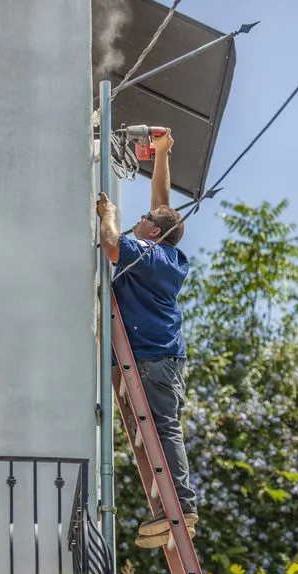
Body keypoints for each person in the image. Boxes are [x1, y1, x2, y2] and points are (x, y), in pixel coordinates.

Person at [96, 129, 198, 550]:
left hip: (155, 361)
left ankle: (183, 509)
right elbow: (163, 204)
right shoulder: (165, 249)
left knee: (164, 428)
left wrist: (109, 212)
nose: (144, 216)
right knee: (162, 428)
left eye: (146, 220)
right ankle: (175, 508)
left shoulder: (148, 253)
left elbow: (111, 243)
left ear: (153, 233)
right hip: (161, 358)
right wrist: (160, 155)